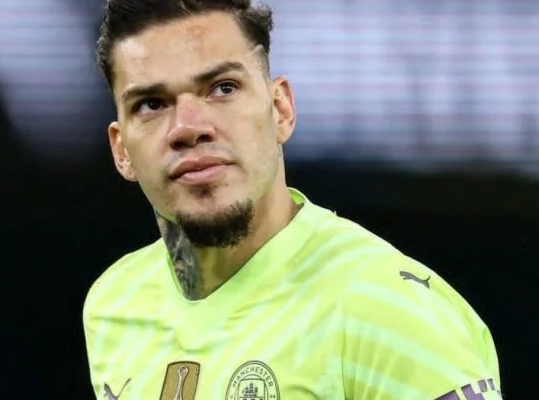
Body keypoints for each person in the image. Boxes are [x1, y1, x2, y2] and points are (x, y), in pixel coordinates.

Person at [83, 1, 502, 399]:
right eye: (151, 104)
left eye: (223, 88)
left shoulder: (386, 307)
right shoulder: (115, 303)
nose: (189, 127)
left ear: (280, 109)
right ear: (121, 150)